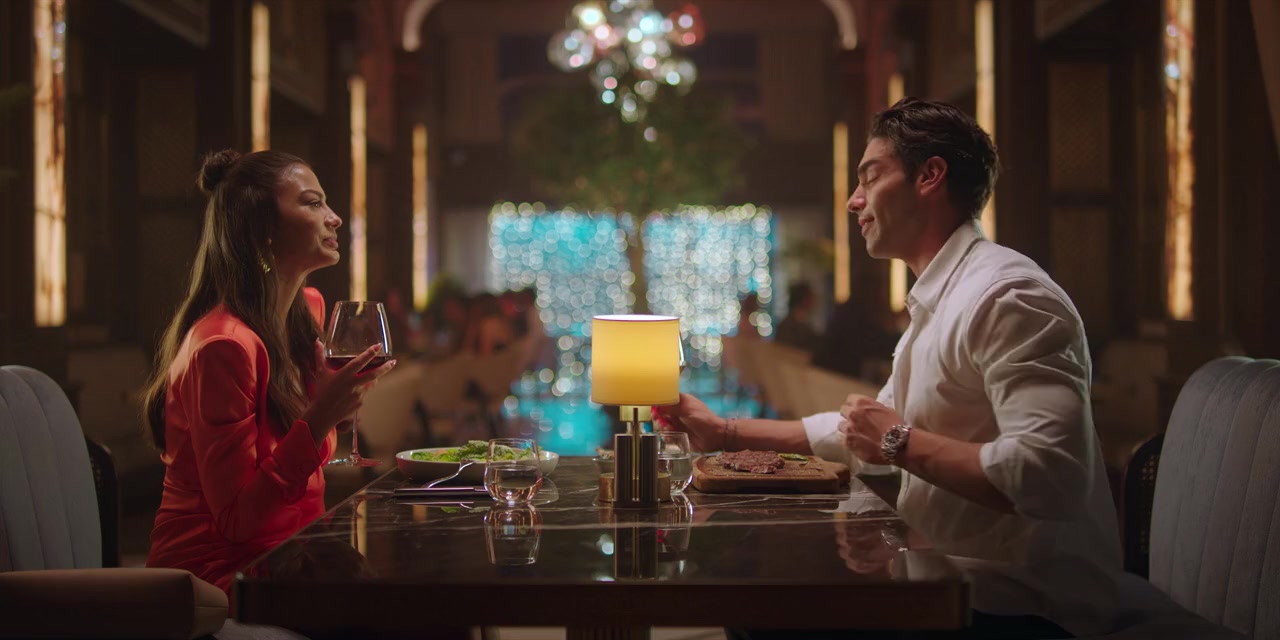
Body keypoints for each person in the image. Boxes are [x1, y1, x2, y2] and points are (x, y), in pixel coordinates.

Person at [656, 98, 1128, 638]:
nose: (853, 201)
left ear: (930, 176)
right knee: (753, 609)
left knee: (757, 615)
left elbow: (1049, 476)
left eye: (870, 177)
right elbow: (858, 432)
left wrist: (898, 442)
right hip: (943, 582)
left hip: (1023, 606)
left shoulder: (1008, 296)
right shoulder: (940, 298)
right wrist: (725, 432)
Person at [142, 149, 396, 594]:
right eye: (313, 203)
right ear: (262, 230)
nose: (335, 218)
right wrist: (321, 416)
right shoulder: (224, 346)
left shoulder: (305, 313)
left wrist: (329, 412)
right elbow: (238, 521)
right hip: (220, 576)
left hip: (295, 552)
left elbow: (297, 460)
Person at [773, 282, 820, 352]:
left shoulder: (801, 323)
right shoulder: (788, 327)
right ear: (805, 300)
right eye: (811, 298)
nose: (814, 302)